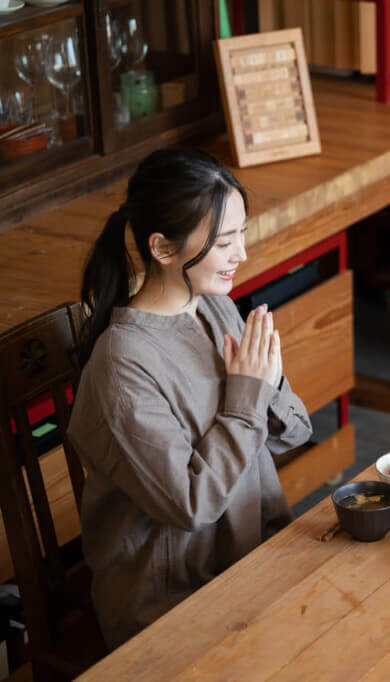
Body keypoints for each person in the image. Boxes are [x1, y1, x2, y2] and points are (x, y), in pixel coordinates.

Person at [67, 149, 313, 648]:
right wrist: (247, 397)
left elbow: (296, 434)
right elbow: (191, 505)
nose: (242, 253)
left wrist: (270, 382)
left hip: (254, 560)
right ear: (162, 248)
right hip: (175, 606)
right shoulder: (122, 366)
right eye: (224, 241)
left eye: (241, 233)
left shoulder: (217, 310)